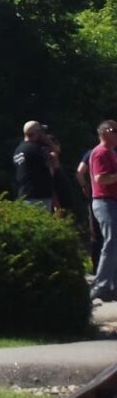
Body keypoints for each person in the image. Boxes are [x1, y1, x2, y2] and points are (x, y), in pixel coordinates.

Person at [87, 121, 117, 303]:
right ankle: (101, 285)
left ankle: (112, 286)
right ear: (105, 133)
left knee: (114, 242)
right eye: (115, 131)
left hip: (112, 201)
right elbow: (100, 178)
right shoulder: (101, 152)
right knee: (111, 240)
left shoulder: (112, 153)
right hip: (104, 201)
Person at [14, 120, 56, 210]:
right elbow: (51, 169)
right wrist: (49, 143)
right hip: (39, 197)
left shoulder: (18, 150)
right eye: (42, 132)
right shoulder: (36, 149)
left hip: (24, 195)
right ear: (37, 133)